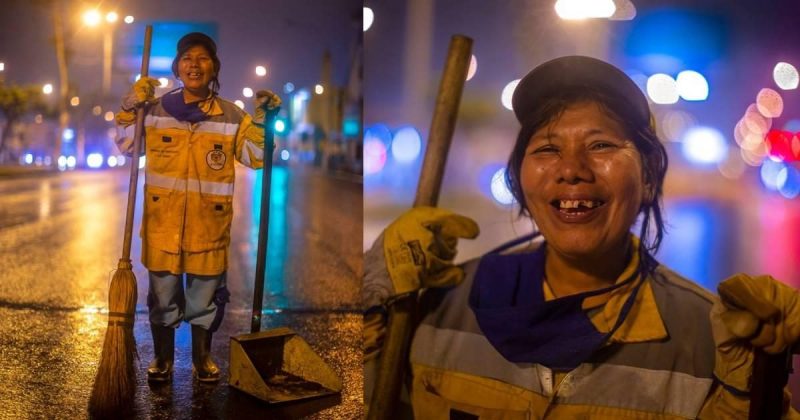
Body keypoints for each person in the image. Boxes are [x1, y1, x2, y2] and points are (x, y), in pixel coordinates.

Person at [363, 56, 800, 418]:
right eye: (548, 149)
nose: (571, 169)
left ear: (648, 177)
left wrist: (752, 393)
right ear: (519, 178)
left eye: (601, 146)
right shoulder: (440, 308)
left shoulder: (707, 340)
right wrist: (372, 307)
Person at [114, 32, 281, 383]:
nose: (194, 64)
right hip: (162, 228)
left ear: (213, 68)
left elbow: (256, 156)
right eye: (188, 57)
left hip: (209, 228)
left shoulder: (232, 116)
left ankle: (202, 358)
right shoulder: (155, 111)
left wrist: (264, 123)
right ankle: (163, 359)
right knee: (162, 300)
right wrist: (131, 107)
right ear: (177, 67)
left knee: (205, 302)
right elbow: (128, 146)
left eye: (203, 58)